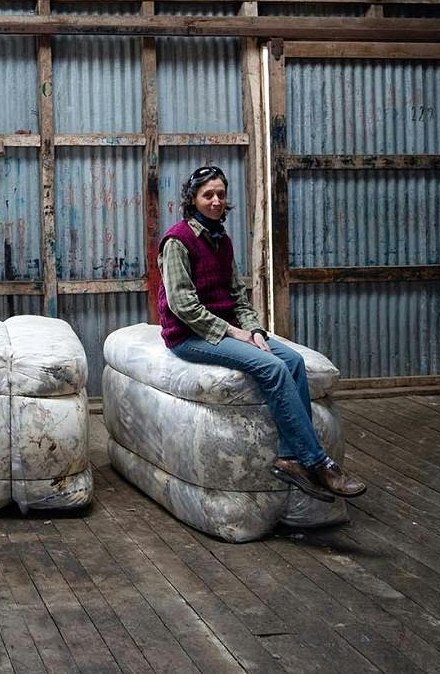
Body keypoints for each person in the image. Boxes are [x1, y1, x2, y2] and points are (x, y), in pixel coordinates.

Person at [157, 164, 366, 502]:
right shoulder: (177, 241)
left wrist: (254, 330)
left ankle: (289, 458)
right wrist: (233, 333)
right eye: (207, 195)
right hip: (190, 336)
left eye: (220, 195)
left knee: (293, 360)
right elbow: (183, 306)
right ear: (192, 199)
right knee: (271, 366)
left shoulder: (221, 240)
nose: (215, 201)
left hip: (228, 330)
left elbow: (237, 295)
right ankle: (318, 462)